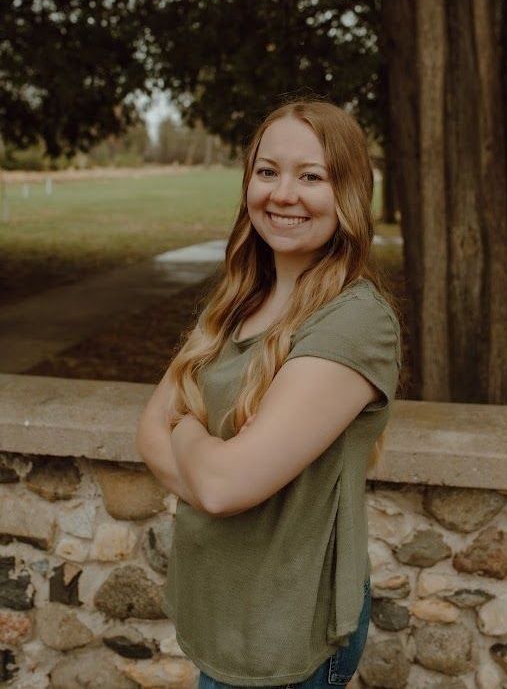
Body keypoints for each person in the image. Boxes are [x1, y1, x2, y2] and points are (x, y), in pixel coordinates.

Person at [136, 99, 402, 688]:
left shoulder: (353, 321)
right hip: (223, 614)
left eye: (312, 176)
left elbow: (221, 483)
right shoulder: (239, 300)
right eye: (267, 171)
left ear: (349, 193)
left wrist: (187, 433)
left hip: (283, 633)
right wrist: (207, 469)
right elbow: (147, 433)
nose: (283, 194)